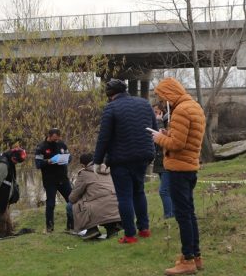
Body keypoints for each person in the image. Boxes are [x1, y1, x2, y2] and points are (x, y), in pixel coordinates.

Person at [152, 77, 206, 276]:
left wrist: (160, 138)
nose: (161, 100)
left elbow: (177, 144)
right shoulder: (194, 106)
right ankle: (195, 256)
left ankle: (188, 260)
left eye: (162, 96)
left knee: (183, 215)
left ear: (170, 94)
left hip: (178, 169)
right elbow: (186, 137)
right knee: (189, 213)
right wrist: (169, 133)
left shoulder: (181, 110)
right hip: (190, 166)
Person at [93, 79, 158, 244]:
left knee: (124, 197)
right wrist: (152, 151)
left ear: (110, 95)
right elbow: (154, 130)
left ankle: (130, 234)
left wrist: (97, 160)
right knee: (139, 191)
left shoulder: (111, 108)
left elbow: (104, 137)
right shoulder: (145, 104)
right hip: (143, 156)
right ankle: (144, 229)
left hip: (121, 160)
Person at [68, 153, 122, 240]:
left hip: (99, 208)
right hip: (117, 205)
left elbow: (73, 197)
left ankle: (91, 229)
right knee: (104, 199)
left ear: (82, 165)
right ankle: (112, 229)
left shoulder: (84, 174)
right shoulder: (108, 169)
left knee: (70, 206)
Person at [34, 128, 74, 233]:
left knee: (72, 201)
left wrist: (66, 159)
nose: (56, 140)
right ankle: (49, 228)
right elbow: (38, 164)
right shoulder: (41, 147)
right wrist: (48, 161)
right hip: (50, 180)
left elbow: (70, 157)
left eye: (58, 138)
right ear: (49, 135)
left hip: (63, 178)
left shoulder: (62, 144)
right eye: (54, 138)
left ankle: (71, 226)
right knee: (51, 204)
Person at [152, 101, 174, 220]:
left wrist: (159, 122)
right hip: (160, 160)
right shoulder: (157, 122)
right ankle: (172, 213)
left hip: (167, 161)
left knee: (164, 191)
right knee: (168, 190)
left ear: (162, 112)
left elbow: (164, 139)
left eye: (156, 112)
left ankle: (169, 215)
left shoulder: (167, 122)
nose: (154, 114)